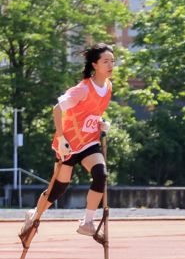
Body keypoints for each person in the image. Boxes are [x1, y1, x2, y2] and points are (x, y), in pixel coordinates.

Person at [19, 44, 116, 239]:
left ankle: (87, 222)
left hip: (89, 142)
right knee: (58, 188)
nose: (110, 65)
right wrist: (61, 138)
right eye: (106, 61)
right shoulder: (83, 89)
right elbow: (57, 109)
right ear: (95, 65)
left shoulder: (108, 87)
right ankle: (34, 215)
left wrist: (101, 122)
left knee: (101, 174)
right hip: (69, 144)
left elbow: (92, 112)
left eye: (112, 61)